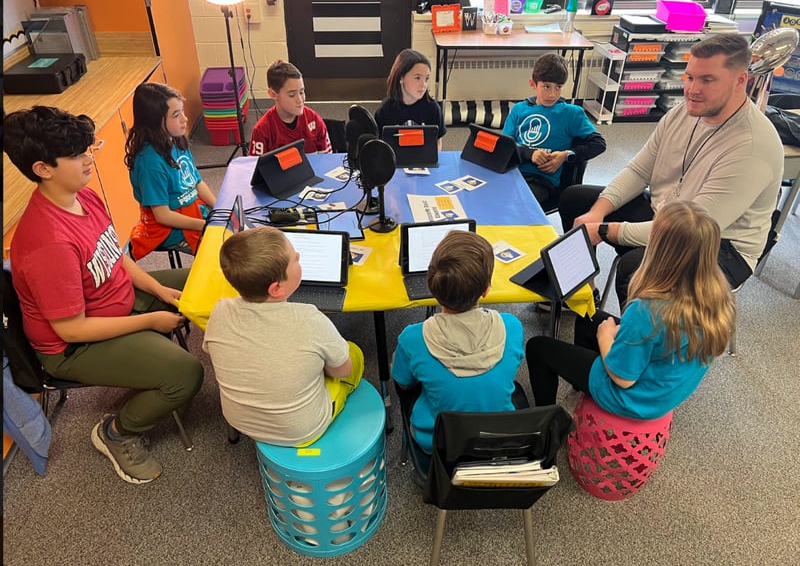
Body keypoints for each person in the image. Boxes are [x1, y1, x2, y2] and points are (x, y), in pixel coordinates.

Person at [4, 106, 204, 485]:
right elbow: (72, 331)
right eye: (77, 155)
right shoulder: (48, 243)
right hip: (73, 348)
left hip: (116, 301)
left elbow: (117, 256)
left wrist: (157, 288)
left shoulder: (84, 195)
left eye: (87, 149)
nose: (88, 160)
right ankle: (117, 433)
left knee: (207, 278)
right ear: (42, 169)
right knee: (186, 374)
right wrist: (150, 320)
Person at [559, 32, 784, 308]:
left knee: (637, 269)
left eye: (707, 80)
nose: (692, 89)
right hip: (667, 212)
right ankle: (585, 300)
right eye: (689, 77)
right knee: (576, 200)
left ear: (741, 80)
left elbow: (685, 232)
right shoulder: (683, 113)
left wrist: (604, 230)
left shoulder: (752, 147)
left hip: (719, 247)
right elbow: (639, 170)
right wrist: (598, 212)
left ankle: (632, 346)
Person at [526, 200, 736, 420]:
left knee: (538, 347)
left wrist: (605, 337)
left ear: (658, 249)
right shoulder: (719, 296)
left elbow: (623, 378)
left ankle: (545, 421)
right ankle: (581, 393)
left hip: (631, 399)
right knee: (588, 317)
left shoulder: (646, 311)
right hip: (661, 394)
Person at [202, 226, 364, 446]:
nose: (298, 256)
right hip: (303, 429)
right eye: (294, 259)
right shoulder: (309, 318)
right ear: (276, 289)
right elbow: (342, 370)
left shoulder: (220, 310)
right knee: (353, 353)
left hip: (239, 420)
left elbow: (213, 350)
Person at [391, 230, 524, 456]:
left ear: (432, 285)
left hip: (436, 441)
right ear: (486, 290)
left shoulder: (413, 337)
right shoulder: (512, 327)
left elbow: (403, 382)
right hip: (497, 438)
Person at [125, 82, 217, 260]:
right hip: (170, 227)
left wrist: (220, 208)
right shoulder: (150, 163)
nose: (185, 119)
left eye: (182, 111)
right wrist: (206, 225)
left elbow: (197, 182)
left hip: (193, 210)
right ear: (155, 122)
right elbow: (162, 215)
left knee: (237, 230)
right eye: (176, 115)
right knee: (226, 252)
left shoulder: (175, 139)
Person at [502, 53, 606, 206]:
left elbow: (599, 143)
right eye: (546, 87)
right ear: (533, 84)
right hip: (511, 172)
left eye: (558, 87)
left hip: (540, 180)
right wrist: (531, 154)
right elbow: (505, 146)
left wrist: (566, 155)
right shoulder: (519, 109)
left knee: (515, 206)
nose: (552, 94)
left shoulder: (572, 113)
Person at [248, 60, 332, 156]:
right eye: (292, 95)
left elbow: (327, 160)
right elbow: (256, 168)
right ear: (273, 94)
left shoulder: (314, 120)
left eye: (301, 92)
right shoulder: (262, 130)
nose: (300, 100)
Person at [375, 48, 447, 150]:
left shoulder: (433, 108)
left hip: (424, 162)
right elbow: (380, 145)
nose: (423, 85)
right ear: (401, 78)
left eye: (426, 79)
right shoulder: (385, 109)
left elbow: (437, 143)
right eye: (417, 78)